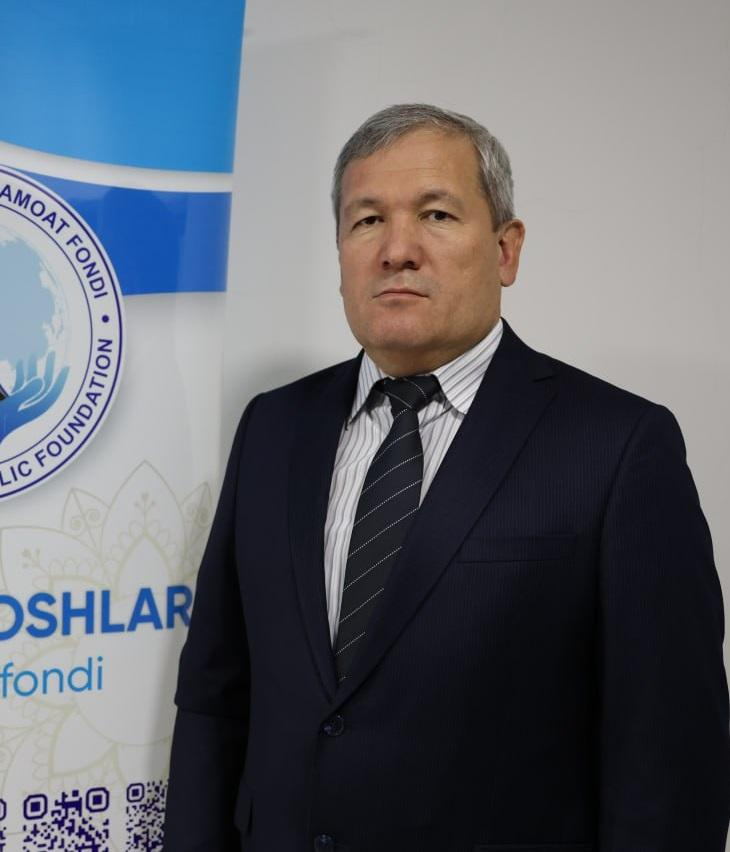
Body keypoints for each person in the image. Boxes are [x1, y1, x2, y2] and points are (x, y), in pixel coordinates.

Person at [162, 104, 730, 851]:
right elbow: (216, 695)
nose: (396, 250)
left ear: (506, 249)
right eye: (367, 220)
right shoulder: (273, 427)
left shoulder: (617, 446)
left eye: (435, 214)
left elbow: (670, 759)